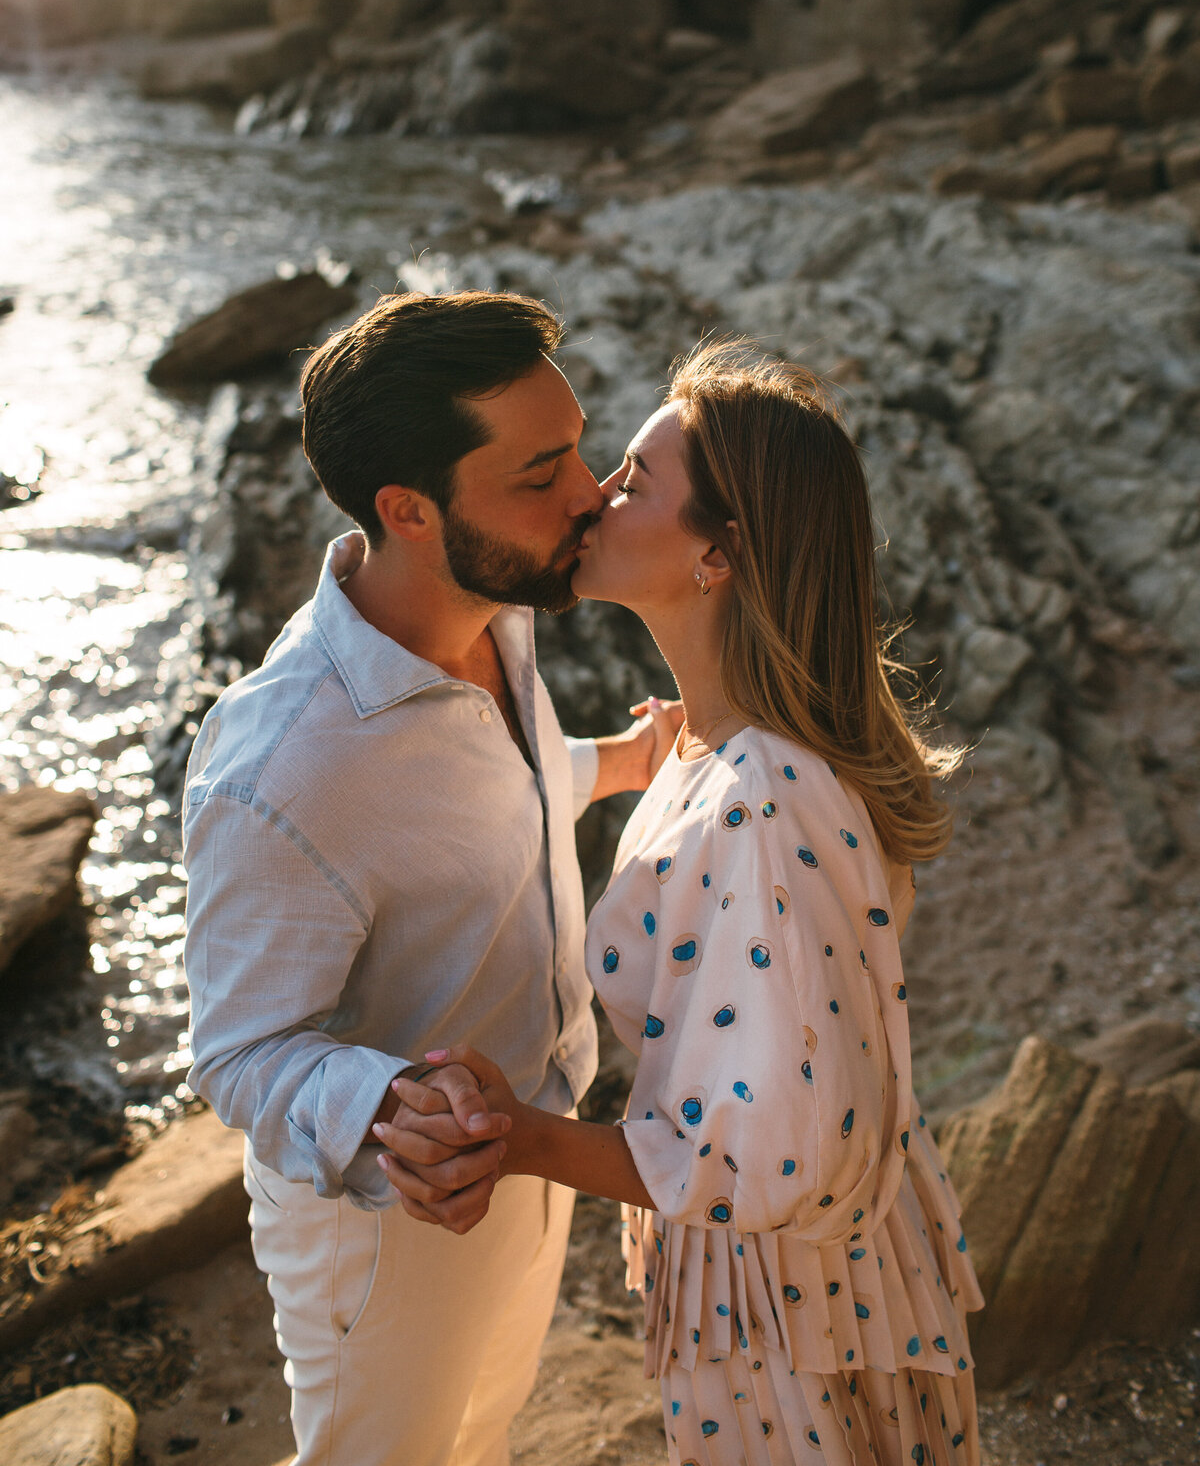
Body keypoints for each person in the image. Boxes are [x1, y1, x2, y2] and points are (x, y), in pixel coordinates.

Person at [378, 340, 984, 1466]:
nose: (597, 493)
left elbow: (770, 1157)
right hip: (801, 1284)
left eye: (635, 479)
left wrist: (524, 1139)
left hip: (786, 1308)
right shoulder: (717, 756)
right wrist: (624, 762)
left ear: (718, 554)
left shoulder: (763, 802)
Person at [182, 290, 681, 1466]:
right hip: (389, 1218)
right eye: (541, 472)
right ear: (409, 509)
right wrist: (387, 1105)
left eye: (579, 447)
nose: (590, 494)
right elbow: (238, 1051)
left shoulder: (493, 612)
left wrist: (622, 760)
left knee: (487, 1433)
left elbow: (489, 784)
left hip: (532, 1144)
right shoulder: (280, 770)